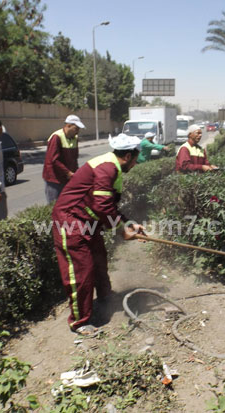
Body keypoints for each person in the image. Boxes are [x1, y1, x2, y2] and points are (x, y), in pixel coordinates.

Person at [52, 133, 146, 336]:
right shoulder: (107, 168)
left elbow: (108, 205)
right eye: (136, 159)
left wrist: (129, 223)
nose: (136, 164)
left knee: (99, 260)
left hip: (87, 222)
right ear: (128, 156)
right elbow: (102, 205)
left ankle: (105, 298)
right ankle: (79, 322)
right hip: (71, 222)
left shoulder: (112, 166)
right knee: (81, 272)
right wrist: (121, 230)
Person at [42, 114, 85, 204]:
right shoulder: (56, 137)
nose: (78, 131)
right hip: (54, 180)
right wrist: (68, 172)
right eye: (76, 128)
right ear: (68, 125)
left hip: (67, 179)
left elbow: (74, 159)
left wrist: (76, 173)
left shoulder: (75, 138)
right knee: (54, 205)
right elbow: (54, 160)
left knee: (67, 205)